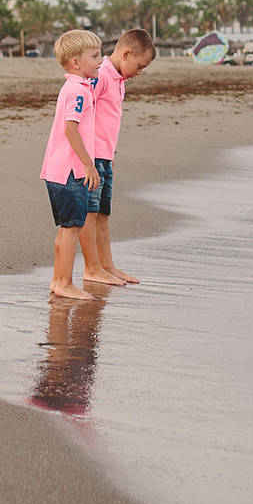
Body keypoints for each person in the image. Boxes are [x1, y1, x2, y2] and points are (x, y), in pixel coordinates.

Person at [82, 28, 156, 286]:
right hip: (91, 158)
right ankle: (91, 268)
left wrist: (109, 155)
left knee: (103, 213)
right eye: (139, 66)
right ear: (126, 53)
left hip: (105, 157)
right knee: (89, 213)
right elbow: (84, 115)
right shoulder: (100, 76)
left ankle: (106, 265)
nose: (139, 72)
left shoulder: (118, 80)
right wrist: (87, 159)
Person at [39, 29, 103, 301]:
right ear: (76, 63)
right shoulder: (78, 91)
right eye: (96, 55)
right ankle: (64, 281)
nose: (101, 60)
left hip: (56, 170)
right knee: (71, 228)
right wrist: (89, 165)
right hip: (69, 172)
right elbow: (71, 129)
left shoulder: (74, 87)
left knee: (66, 228)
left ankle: (58, 280)